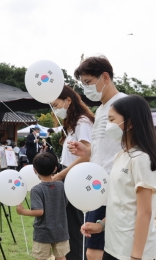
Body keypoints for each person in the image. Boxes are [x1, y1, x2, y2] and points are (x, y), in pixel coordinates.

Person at [76, 95, 156, 260]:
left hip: (130, 252)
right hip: (113, 246)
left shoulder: (142, 159)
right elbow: (121, 204)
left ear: (129, 123)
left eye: (111, 119)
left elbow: (144, 212)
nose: (108, 125)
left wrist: (136, 256)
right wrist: (100, 225)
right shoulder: (121, 156)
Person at [69, 55, 127, 260]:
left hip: (114, 185)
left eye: (88, 83)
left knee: (99, 250)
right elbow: (104, 149)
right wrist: (87, 152)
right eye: (83, 84)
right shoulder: (101, 109)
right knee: (92, 247)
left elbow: (131, 146)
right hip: (97, 186)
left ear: (105, 77)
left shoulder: (123, 104)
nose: (86, 89)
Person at [50, 85, 94, 260]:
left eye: (56, 104)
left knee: (75, 229)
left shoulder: (82, 122)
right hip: (69, 176)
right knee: (69, 228)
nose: (54, 109)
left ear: (68, 100)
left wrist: (61, 175)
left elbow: (86, 155)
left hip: (76, 179)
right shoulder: (73, 125)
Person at [16, 153, 70, 260]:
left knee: (41, 258)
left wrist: (22, 211)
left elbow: (39, 211)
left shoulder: (37, 189)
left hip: (43, 233)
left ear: (35, 170)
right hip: (61, 230)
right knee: (61, 257)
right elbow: (65, 203)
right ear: (55, 169)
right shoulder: (61, 185)